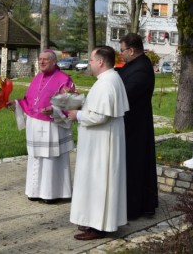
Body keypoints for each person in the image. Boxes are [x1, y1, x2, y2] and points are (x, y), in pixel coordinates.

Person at [67, 46, 129, 240]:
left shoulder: (106, 83)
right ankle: (96, 222)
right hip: (101, 141)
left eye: (92, 60)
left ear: (100, 62)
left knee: (99, 182)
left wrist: (77, 114)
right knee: (98, 182)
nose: (90, 63)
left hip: (102, 145)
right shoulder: (110, 79)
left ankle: (99, 226)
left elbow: (100, 116)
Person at [7, 49, 75, 204]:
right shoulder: (37, 78)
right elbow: (29, 100)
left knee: (51, 159)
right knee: (35, 158)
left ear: (54, 61)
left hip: (52, 126)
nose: (42, 62)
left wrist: (55, 110)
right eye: (40, 59)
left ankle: (52, 193)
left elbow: (71, 104)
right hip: (35, 125)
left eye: (45, 59)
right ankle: (35, 191)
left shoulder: (64, 79)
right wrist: (16, 103)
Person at [118, 33, 158, 220]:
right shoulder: (133, 65)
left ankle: (134, 207)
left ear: (132, 50)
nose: (121, 55)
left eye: (122, 51)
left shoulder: (141, 69)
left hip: (136, 126)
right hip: (130, 124)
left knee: (135, 168)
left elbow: (126, 94)